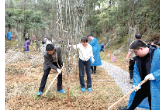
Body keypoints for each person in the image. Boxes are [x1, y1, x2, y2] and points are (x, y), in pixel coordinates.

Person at [119, 40, 160, 110]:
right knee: (133, 101)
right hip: (143, 86)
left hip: (154, 87)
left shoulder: (157, 54)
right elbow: (136, 72)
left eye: (135, 52)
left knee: (153, 105)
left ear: (141, 48)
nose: (135, 54)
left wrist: (154, 75)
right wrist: (136, 83)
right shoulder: (138, 58)